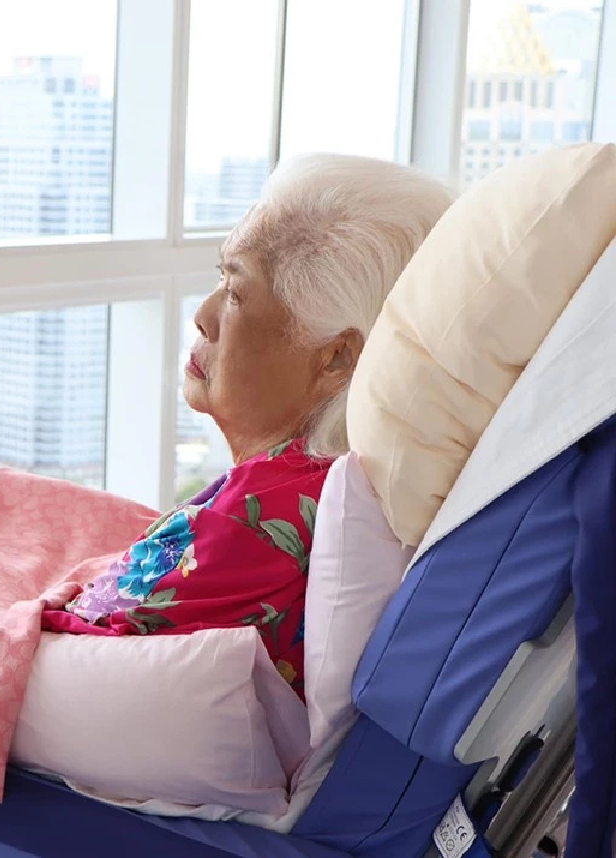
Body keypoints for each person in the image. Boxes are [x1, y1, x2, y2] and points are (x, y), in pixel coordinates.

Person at [42, 154, 455, 701]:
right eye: (221, 277)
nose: (203, 315)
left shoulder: (254, 523)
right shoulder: (325, 479)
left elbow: (66, 646)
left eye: (236, 293)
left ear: (335, 358)